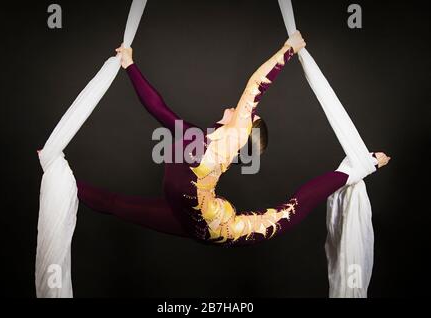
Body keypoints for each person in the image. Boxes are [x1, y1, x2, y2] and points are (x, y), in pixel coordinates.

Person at [77, 31, 390, 246]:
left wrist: (289, 49)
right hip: (192, 219)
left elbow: (256, 86)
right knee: (116, 205)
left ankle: (357, 170)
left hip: (213, 226)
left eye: (246, 115)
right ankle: (66, 182)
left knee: (288, 214)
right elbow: (158, 108)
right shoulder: (196, 138)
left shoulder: (227, 137)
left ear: (245, 130)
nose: (237, 110)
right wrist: (129, 64)